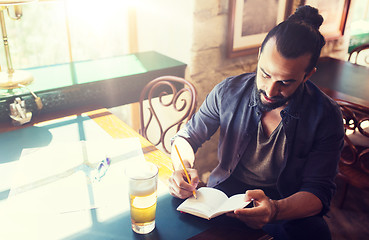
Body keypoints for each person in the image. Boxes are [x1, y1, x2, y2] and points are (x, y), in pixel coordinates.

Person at [168, 5, 344, 240]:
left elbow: (318, 192)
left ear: (308, 74)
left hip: (286, 201)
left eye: (285, 82)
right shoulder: (227, 91)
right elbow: (187, 137)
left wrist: (276, 210)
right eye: (265, 74)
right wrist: (182, 167)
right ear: (260, 54)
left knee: (317, 233)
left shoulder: (326, 115)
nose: (270, 90)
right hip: (226, 194)